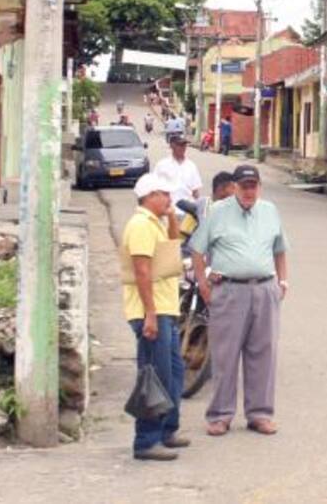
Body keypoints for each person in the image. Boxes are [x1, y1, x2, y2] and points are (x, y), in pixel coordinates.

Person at [188, 165, 289, 437]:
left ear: (259, 187)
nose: (248, 191)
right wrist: (203, 283)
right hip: (229, 291)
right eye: (243, 186)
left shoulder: (269, 211)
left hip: (264, 290)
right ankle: (220, 415)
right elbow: (197, 250)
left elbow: (280, 249)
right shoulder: (218, 212)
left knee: (264, 355)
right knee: (225, 355)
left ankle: (260, 414)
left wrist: (283, 281)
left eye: (253, 185)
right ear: (234, 187)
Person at [121, 173, 189, 461]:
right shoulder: (140, 226)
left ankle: (166, 429)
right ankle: (146, 440)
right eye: (165, 194)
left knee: (174, 373)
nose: (169, 199)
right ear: (150, 196)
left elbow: (173, 250)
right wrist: (149, 314)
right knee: (155, 375)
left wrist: (172, 217)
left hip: (166, 309)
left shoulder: (157, 224)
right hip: (153, 312)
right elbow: (142, 271)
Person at [154, 133, 202, 208]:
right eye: (180, 145)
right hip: (168, 210)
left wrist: (200, 208)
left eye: (184, 145)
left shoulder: (191, 166)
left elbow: (195, 191)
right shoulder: (162, 165)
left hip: (188, 212)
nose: (183, 148)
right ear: (172, 146)